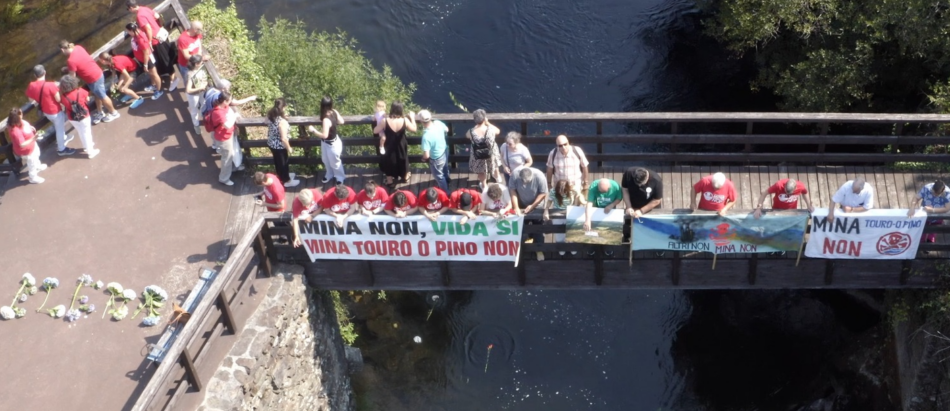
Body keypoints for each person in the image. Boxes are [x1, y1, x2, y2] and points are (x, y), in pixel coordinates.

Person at [60, 41, 120, 124]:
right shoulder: (78, 47)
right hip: (97, 73)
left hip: (93, 78)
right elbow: (80, 61)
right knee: (97, 95)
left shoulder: (71, 60)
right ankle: (100, 112)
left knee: (103, 96)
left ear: (62, 50)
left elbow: (72, 78)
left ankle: (114, 113)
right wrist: (70, 68)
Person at [126, 0, 178, 90]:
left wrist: (149, 41)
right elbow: (157, 16)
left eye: (128, 9)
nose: (129, 11)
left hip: (156, 41)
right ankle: (164, 79)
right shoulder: (145, 8)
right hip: (161, 36)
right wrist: (159, 26)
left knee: (165, 61)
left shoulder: (140, 16)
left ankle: (174, 80)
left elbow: (148, 29)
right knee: (165, 59)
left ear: (131, 8)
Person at [25, 65, 75, 156]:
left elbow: (30, 100)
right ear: (44, 72)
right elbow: (58, 99)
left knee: (58, 126)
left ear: (35, 75)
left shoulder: (31, 85)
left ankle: (64, 137)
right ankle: (61, 149)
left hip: (46, 111)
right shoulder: (50, 85)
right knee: (59, 129)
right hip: (55, 111)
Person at [374, 101, 416, 186]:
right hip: (401, 144)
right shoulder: (405, 120)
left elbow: (375, 131)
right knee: (402, 159)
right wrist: (413, 118)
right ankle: (405, 177)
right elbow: (414, 129)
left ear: (391, 109)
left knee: (389, 160)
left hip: (389, 144)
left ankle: (390, 180)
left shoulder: (385, 120)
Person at [306, 96, 347, 185]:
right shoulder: (334, 111)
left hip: (332, 145)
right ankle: (329, 174)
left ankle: (340, 178)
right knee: (325, 159)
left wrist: (313, 130)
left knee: (335, 162)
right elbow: (342, 121)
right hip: (329, 142)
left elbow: (324, 135)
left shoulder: (325, 119)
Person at [58, 75, 100, 159]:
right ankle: (90, 151)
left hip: (72, 117)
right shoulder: (81, 91)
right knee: (87, 132)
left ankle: (86, 146)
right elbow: (87, 99)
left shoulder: (63, 96)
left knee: (80, 132)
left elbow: (63, 105)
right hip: (84, 115)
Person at [621, 167, 663, 248]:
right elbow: (625, 190)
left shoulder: (656, 180)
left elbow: (657, 200)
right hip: (633, 205)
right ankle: (627, 238)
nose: (639, 186)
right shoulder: (628, 174)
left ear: (647, 178)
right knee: (628, 223)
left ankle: (654, 243)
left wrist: (642, 211)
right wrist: (629, 207)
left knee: (652, 227)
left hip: (650, 206)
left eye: (641, 184)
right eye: (637, 184)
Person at [210, 91, 243, 186]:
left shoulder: (224, 106)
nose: (231, 101)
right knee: (227, 158)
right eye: (229, 100)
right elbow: (227, 125)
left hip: (228, 134)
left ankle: (233, 168)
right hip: (223, 138)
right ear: (224, 101)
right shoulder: (218, 113)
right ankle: (224, 179)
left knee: (230, 154)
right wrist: (235, 116)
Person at [544, 179, 586, 254]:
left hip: (570, 211)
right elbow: (549, 201)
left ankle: (572, 246)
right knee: (559, 233)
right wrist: (546, 210)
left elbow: (580, 196)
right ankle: (561, 247)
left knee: (572, 231)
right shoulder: (553, 191)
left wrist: (583, 202)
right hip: (557, 211)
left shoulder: (573, 190)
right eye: (559, 190)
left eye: (564, 190)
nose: (561, 192)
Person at [6, 108, 47, 184]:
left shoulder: (15, 122)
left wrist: (29, 127)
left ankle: (38, 166)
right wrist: (34, 137)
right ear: (17, 117)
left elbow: (24, 125)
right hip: (26, 150)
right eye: (21, 114)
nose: (22, 114)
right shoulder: (15, 131)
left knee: (36, 155)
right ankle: (33, 177)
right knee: (32, 163)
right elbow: (22, 144)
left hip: (32, 145)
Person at [265, 98, 299, 187]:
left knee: (278, 162)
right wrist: (289, 148)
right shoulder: (282, 122)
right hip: (279, 146)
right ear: (283, 107)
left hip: (271, 143)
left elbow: (266, 121)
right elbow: (284, 138)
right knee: (283, 163)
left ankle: (282, 177)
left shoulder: (271, 115)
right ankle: (286, 181)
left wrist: (283, 117)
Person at [509, 166, 548, 243]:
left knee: (538, 228)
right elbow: (512, 190)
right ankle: (523, 248)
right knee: (522, 228)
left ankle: (539, 249)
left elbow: (543, 193)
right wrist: (516, 207)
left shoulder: (540, 176)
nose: (524, 184)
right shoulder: (514, 174)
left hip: (537, 205)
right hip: (521, 204)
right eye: (522, 181)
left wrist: (532, 206)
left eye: (528, 182)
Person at [466, 109, 503, 190]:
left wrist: (475, 127)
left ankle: (484, 186)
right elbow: (498, 131)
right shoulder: (490, 130)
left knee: (481, 171)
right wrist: (488, 123)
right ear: (484, 118)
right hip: (491, 152)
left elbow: (467, 136)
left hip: (478, 154)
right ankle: (497, 178)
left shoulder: (471, 131)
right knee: (494, 164)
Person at [126, 23, 164, 100]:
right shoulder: (137, 34)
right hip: (142, 59)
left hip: (147, 60)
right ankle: (153, 85)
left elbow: (146, 52)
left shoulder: (140, 39)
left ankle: (159, 90)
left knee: (154, 74)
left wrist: (145, 65)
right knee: (151, 73)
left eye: (128, 31)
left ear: (131, 30)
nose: (127, 33)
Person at [908, 180, 950, 245]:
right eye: (933, 192)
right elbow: (916, 197)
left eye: (937, 194)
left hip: (938, 215)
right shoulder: (927, 188)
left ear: (942, 191)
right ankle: (921, 242)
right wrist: (912, 208)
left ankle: (930, 242)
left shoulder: (947, 193)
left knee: (934, 229)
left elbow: (947, 208)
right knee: (923, 228)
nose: (934, 195)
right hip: (925, 213)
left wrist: (932, 210)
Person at [418, 110, 451, 192]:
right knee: (445, 167)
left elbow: (427, 155)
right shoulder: (438, 123)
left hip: (436, 158)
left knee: (439, 176)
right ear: (430, 118)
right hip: (444, 150)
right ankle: (447, 179)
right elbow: (447, 129)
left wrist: (423, 158)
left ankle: (446, 192)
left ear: (422, 122)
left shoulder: (426, 136)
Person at [176, 20, 206, 93]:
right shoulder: (183, 39)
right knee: (188, 81)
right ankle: (190, 94)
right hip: (186, 65)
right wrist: (200, 58)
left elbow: (199, 43)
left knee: (197, 79)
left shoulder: (197, 34)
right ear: (195, 30)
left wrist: (199, 52)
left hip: (196, 63)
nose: (201, 31)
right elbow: (186, 56)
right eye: (200, 29)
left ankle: (197, 90)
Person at [183, 55, 209, 133]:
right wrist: (200, 88)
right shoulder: (190, 74)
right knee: (194, 110)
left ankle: (203, 117)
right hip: (193, 95)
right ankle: (196, 125)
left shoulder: (199, 68)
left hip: (200, 92)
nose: (202, 62)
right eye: (201, 62)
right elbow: (188, 90)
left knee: (203, 104)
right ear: (196, 64)